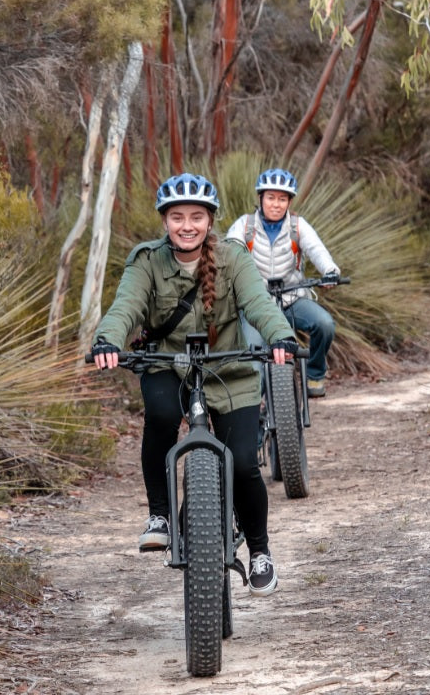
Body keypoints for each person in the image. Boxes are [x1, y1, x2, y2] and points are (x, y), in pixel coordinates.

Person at [89, 173, 298, 596]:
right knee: (162, 415)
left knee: (243, 464)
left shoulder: (233, 257)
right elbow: (126, 305)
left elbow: (258, 304)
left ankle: (259, 550)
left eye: (197, 217)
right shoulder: (147, 260)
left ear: (210, 221)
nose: (187, 225)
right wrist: (108, 339)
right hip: (169, 365)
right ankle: (160, 516)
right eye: (177, 216)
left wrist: (280, 336)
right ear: (165, 221)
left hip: (230, 369)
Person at [226, 168, 339, 398]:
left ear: (289, 202)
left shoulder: (298, 226)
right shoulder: (245, 226)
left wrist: (330, 271)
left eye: (282, 199)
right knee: (254, 362)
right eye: (271, 197)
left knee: (324, 324)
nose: (276, 204)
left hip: (291, 299)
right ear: (261, 198)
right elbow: (230, 252)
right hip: (256, 304)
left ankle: (315, 375)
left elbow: (317, 250)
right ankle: (255, 418)